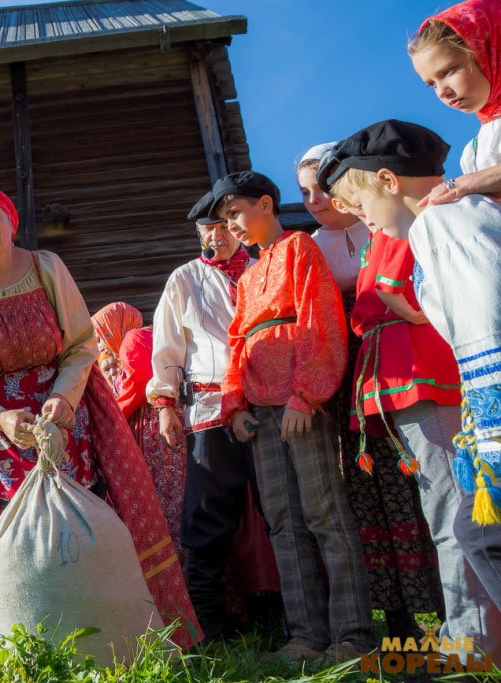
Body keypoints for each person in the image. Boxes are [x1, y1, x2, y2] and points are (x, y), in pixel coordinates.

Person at [0, 183, 200, 667]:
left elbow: (80, 345)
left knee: (74, 526)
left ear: (10, 222)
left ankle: (104, 643)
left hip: (60, 417)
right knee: (9, 536)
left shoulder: (47, 267)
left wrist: (63, 398)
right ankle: (24, 650)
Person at [319, 120, 501, 653]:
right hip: (405, 378)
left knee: (458, 513)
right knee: (452, 513)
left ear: (387, 181)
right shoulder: (402, 229)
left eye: (359, 204)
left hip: (430, 374)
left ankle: (472, 643)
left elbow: (424, 305)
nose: (358, 216)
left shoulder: (429, 225)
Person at [212, 171, 376, 663]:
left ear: (266, 204)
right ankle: (306, 638)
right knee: (283, 521)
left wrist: (305, 396)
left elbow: (320, 317)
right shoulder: (247, 278)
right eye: (224, 218)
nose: (231, 225)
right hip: (260, 411)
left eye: (235, 212)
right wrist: (234, 403)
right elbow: (237, 341)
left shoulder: (300, 248)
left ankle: (354, 636)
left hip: (299, 404)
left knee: (325, 513)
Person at [297, 144, 444, 640]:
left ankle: (441, 612)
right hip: (348, 376)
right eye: (305, 193)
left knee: (416, 479)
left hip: (402, 359)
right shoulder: (308, 247)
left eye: (323, 188)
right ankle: (394, 617)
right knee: (364, 488)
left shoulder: (387, 225)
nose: (316, 200)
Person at [146, 192, 281, 645]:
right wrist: (165, 405)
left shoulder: (261, 269)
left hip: (265, 403)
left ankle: (285, 618)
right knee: (208, 515)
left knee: (276, 508)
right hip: (208, 410)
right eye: (208, 229)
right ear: (198, 234)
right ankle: (207, 626)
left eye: (224, 226)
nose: (217, 236)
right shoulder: (185, 279)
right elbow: (167, 347)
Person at [92, 303, 187, 562]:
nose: (99, 344)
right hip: (161, 426)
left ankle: (176, 569)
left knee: (168, 501)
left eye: (100, 335)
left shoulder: (135, 340)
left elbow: (133, 389)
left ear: (113, 327)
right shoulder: (148, 337)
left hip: (157, 431)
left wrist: (110, 412)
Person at [409, 0, 501, 209]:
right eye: (432, 84)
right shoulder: (474, 151)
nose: (442, 92)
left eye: (448, 71)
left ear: (487, 50)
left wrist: (470, 182)